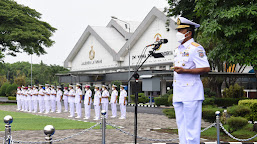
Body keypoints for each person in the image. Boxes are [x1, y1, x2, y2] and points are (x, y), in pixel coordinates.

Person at [173, 17, 210, 144]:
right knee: (181, 126)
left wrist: (185, 71)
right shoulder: (178, 49)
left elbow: (206, 68)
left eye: (181, 30)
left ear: (189, 32)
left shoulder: (196, 48)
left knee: (192, 128)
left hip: (191, 92)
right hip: (178, 92)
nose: (178, 33)